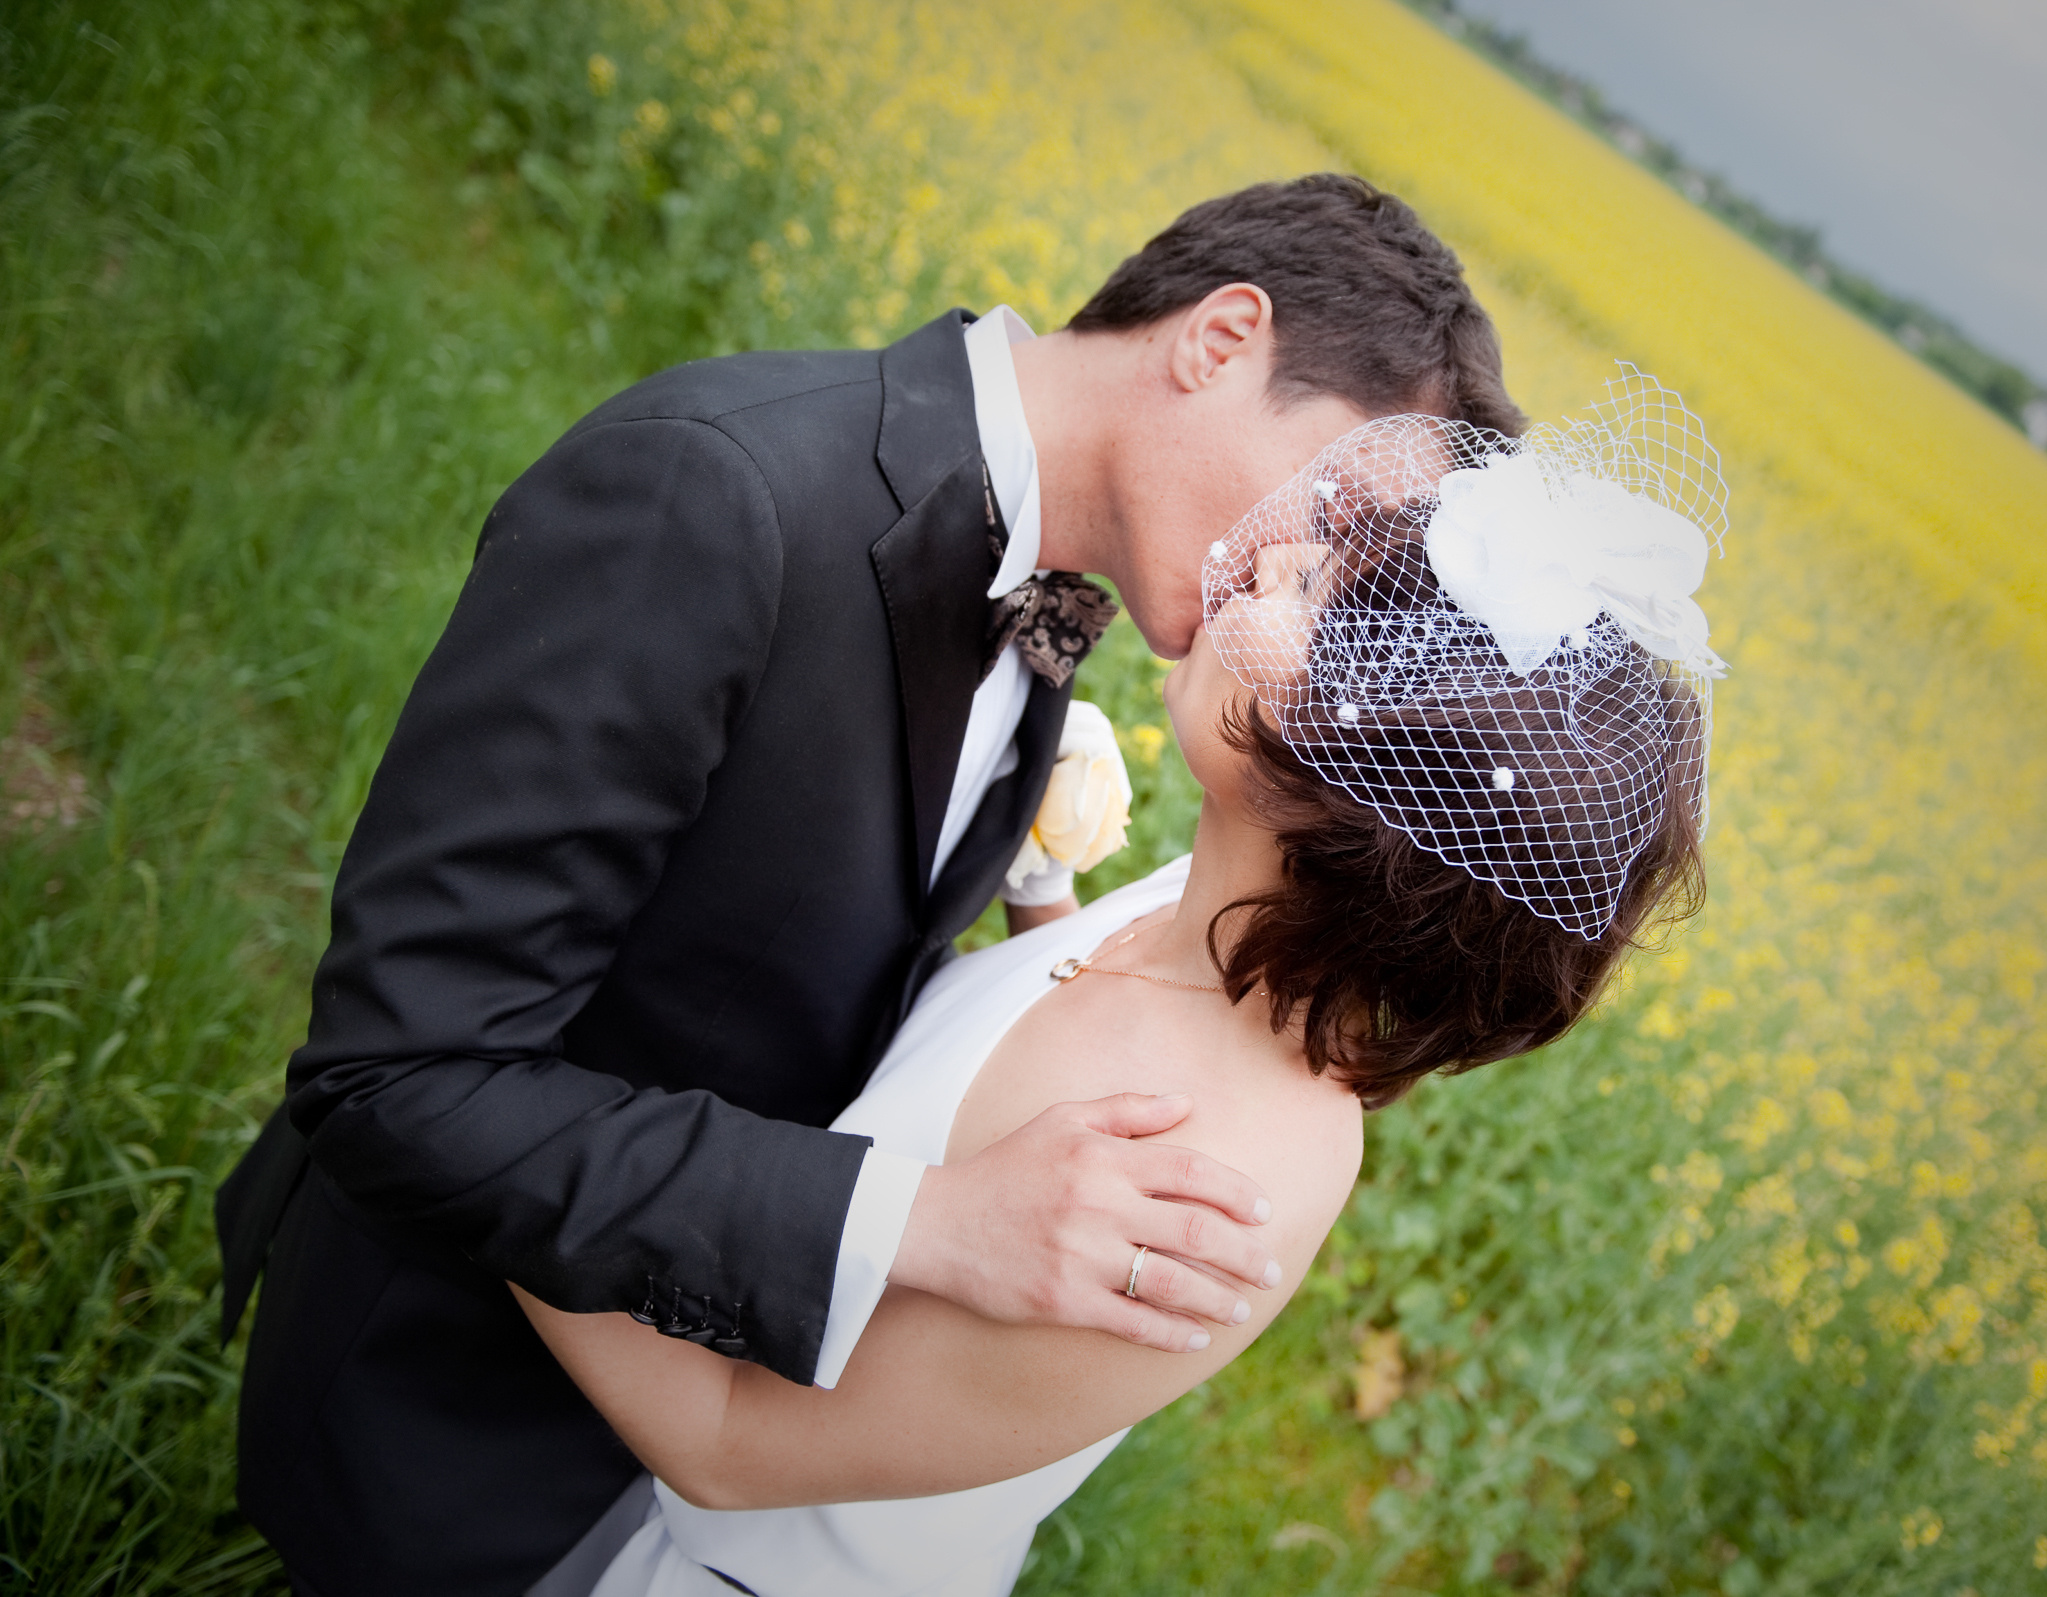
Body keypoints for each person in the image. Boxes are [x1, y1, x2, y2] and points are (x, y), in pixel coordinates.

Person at [212, 175, 1528, 1596]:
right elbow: (398, 1066)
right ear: (1220, 340)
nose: (1310, 571)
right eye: (1334, 506)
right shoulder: (714, 495)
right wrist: (932, 1222)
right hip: (444, 1407)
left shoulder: (1057, 581)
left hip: (649, 1434)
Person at [515, 399, 1727, 1596]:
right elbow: (1051, 1055)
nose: (1277, 557)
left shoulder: (1211, 1187)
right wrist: (1043, 884)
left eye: (1317, 591)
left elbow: (732, 1441)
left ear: (1358, 786)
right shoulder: (1216, 912)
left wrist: (469, 1106)